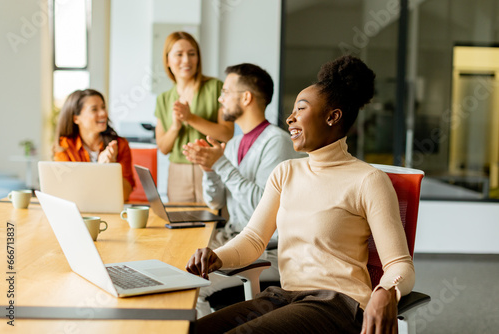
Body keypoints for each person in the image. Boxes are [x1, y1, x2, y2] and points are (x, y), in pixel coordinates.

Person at [186, 55, 415, 333]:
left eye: (301, 109)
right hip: (284, 296)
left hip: (337, 303)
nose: (289, 118)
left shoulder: (368, 180)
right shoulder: (286, 172)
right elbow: (254, 239)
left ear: (333, 117)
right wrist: (216, 256)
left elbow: (399, 264)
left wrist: (385, 292)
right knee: (191, 330)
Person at [182, 63, 302, 317]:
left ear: (246, 97)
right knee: (175, 266)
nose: (220, 98)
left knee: (190, 289)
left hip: (265, 251)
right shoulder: (234, 143)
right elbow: (214, 200)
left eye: (226, 91)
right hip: (231, 239)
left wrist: (220, 164)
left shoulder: (276, 142)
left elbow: (261, 207)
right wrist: (209, 168)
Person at [155, 31, 234, 203]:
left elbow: (227, 133)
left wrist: (190, 118)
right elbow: (163, 147)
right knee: (181, 225)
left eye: (192, 54)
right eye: (179, 54)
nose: (186, 60)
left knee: (215, 222)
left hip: (211, 168)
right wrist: (175, 127)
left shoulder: (215, 87)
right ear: (168, 60)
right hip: (177, 172)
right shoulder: (163, 99)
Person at [53, 89, 135, 201]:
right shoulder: (64, 147)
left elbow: (125, 195)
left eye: (103, 107)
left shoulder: (120, 145)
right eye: (94, 109)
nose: (103, 113)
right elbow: (65, 192)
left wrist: (111, 169)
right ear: (76, 118)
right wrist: (100, 170)